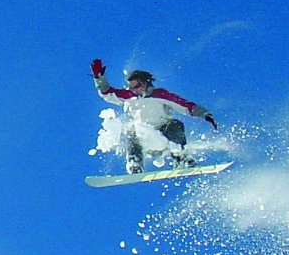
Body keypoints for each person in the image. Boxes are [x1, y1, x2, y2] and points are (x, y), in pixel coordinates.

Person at [90, 59, 218, 174]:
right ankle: (135, 164)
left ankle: (181, 158)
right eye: (131, 87)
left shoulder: (160, 94)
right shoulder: (128, 97)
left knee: (176, 124)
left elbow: (185, 106)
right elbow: (107, 93)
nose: (133, 90)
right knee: (130, 129)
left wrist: (205, 115)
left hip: (164, 136)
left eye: (137, 86)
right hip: (143, 138)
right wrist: (98, 78)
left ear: (145, 83)